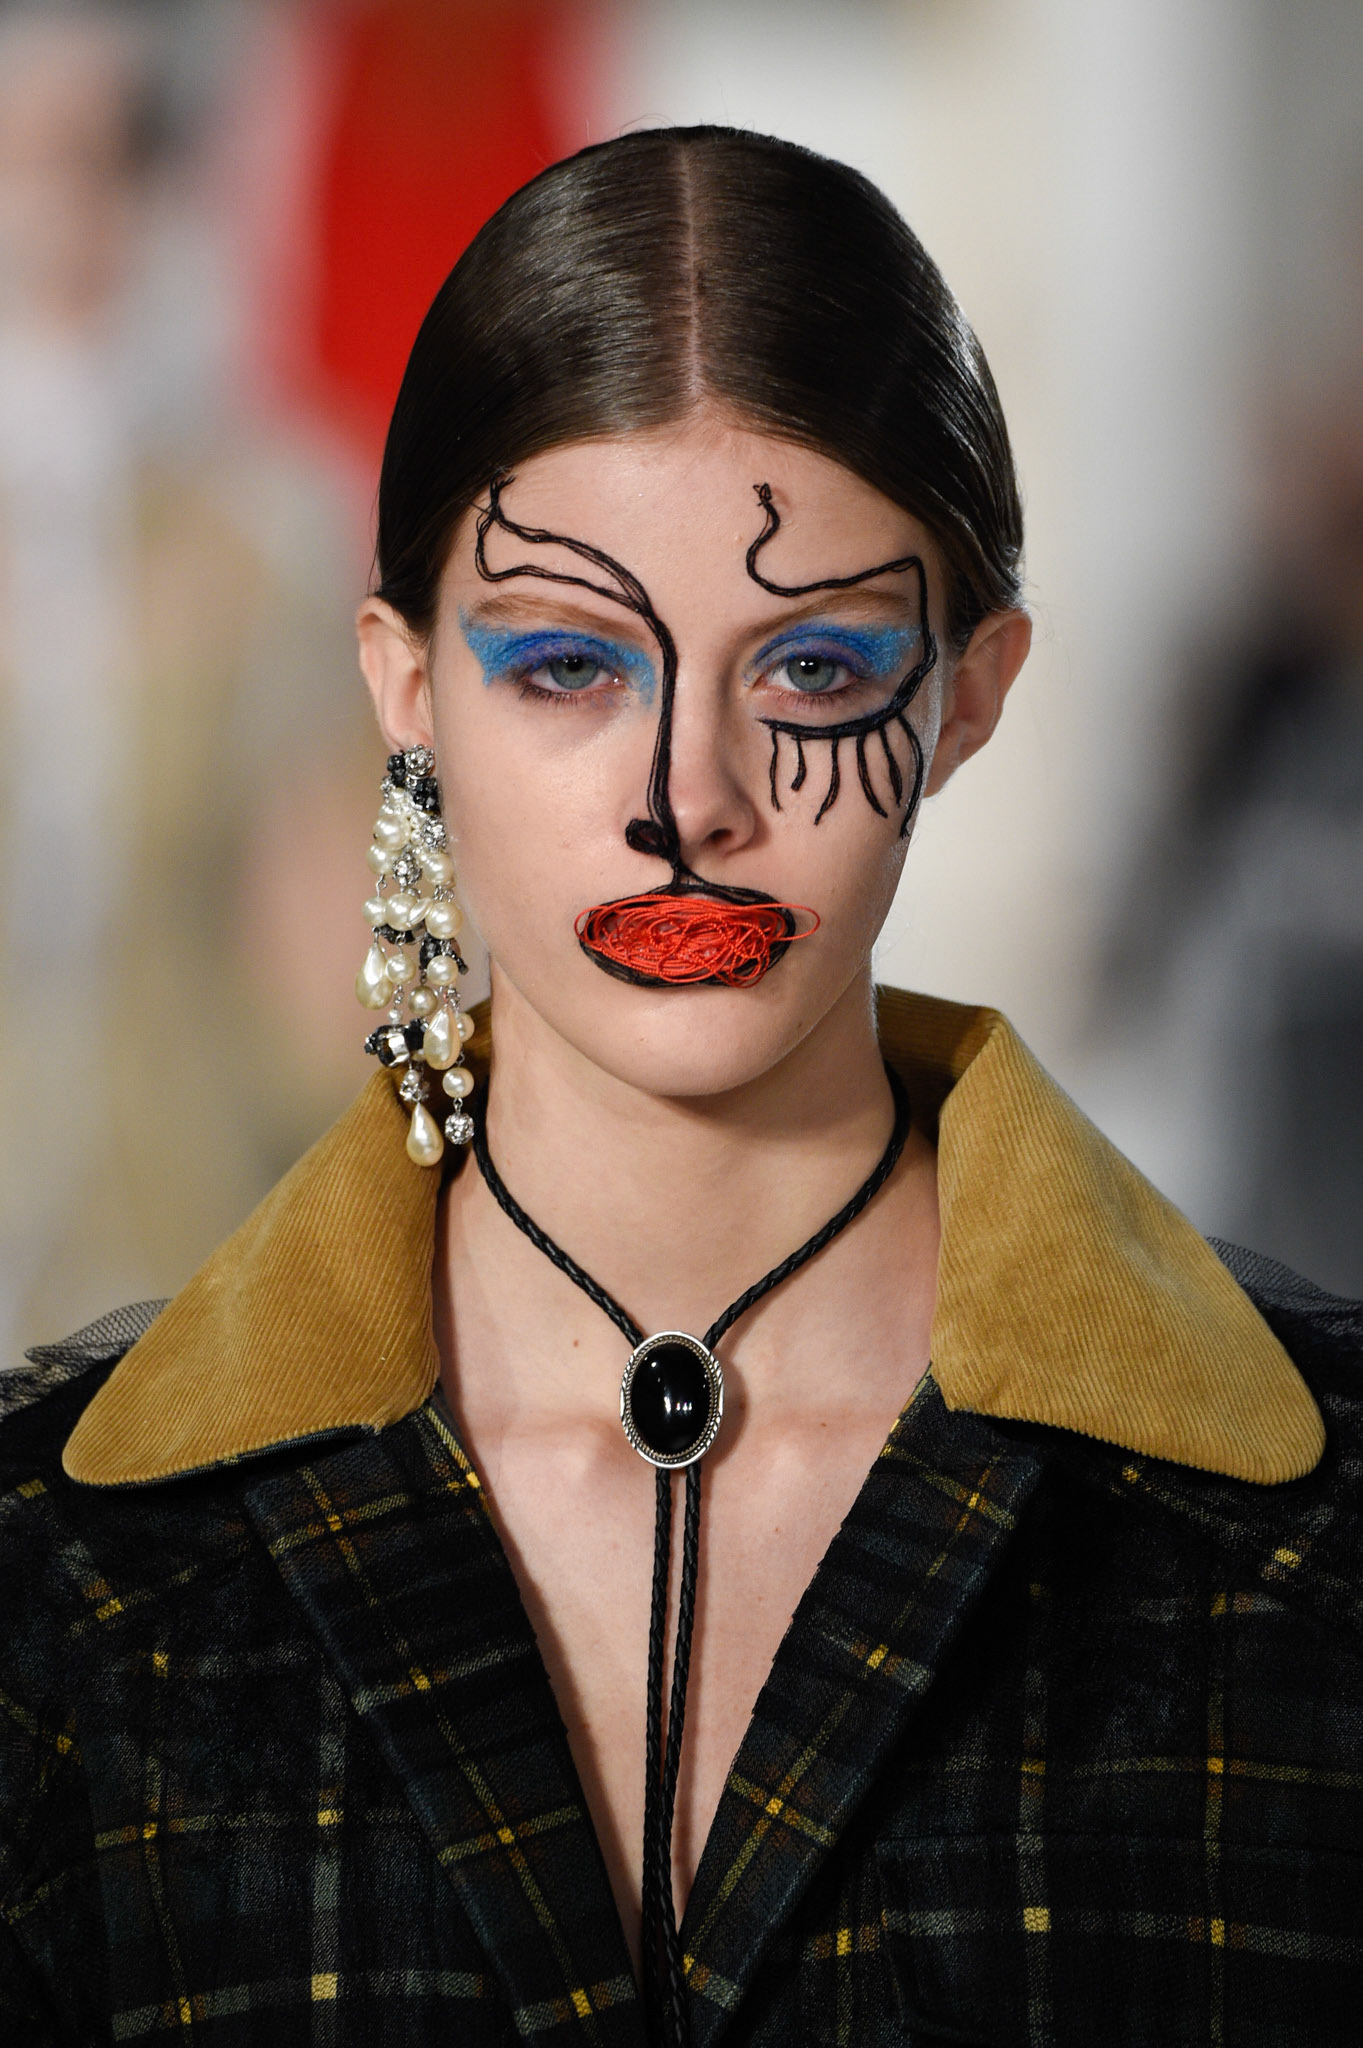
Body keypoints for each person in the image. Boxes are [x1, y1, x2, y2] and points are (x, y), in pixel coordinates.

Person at [1, 126, 1358, 2048]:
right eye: (564, 664)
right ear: (404, 687)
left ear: (972, 689)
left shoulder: (1314, 1548)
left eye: (811, 666)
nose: (683, 798)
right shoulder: (60, 1582)